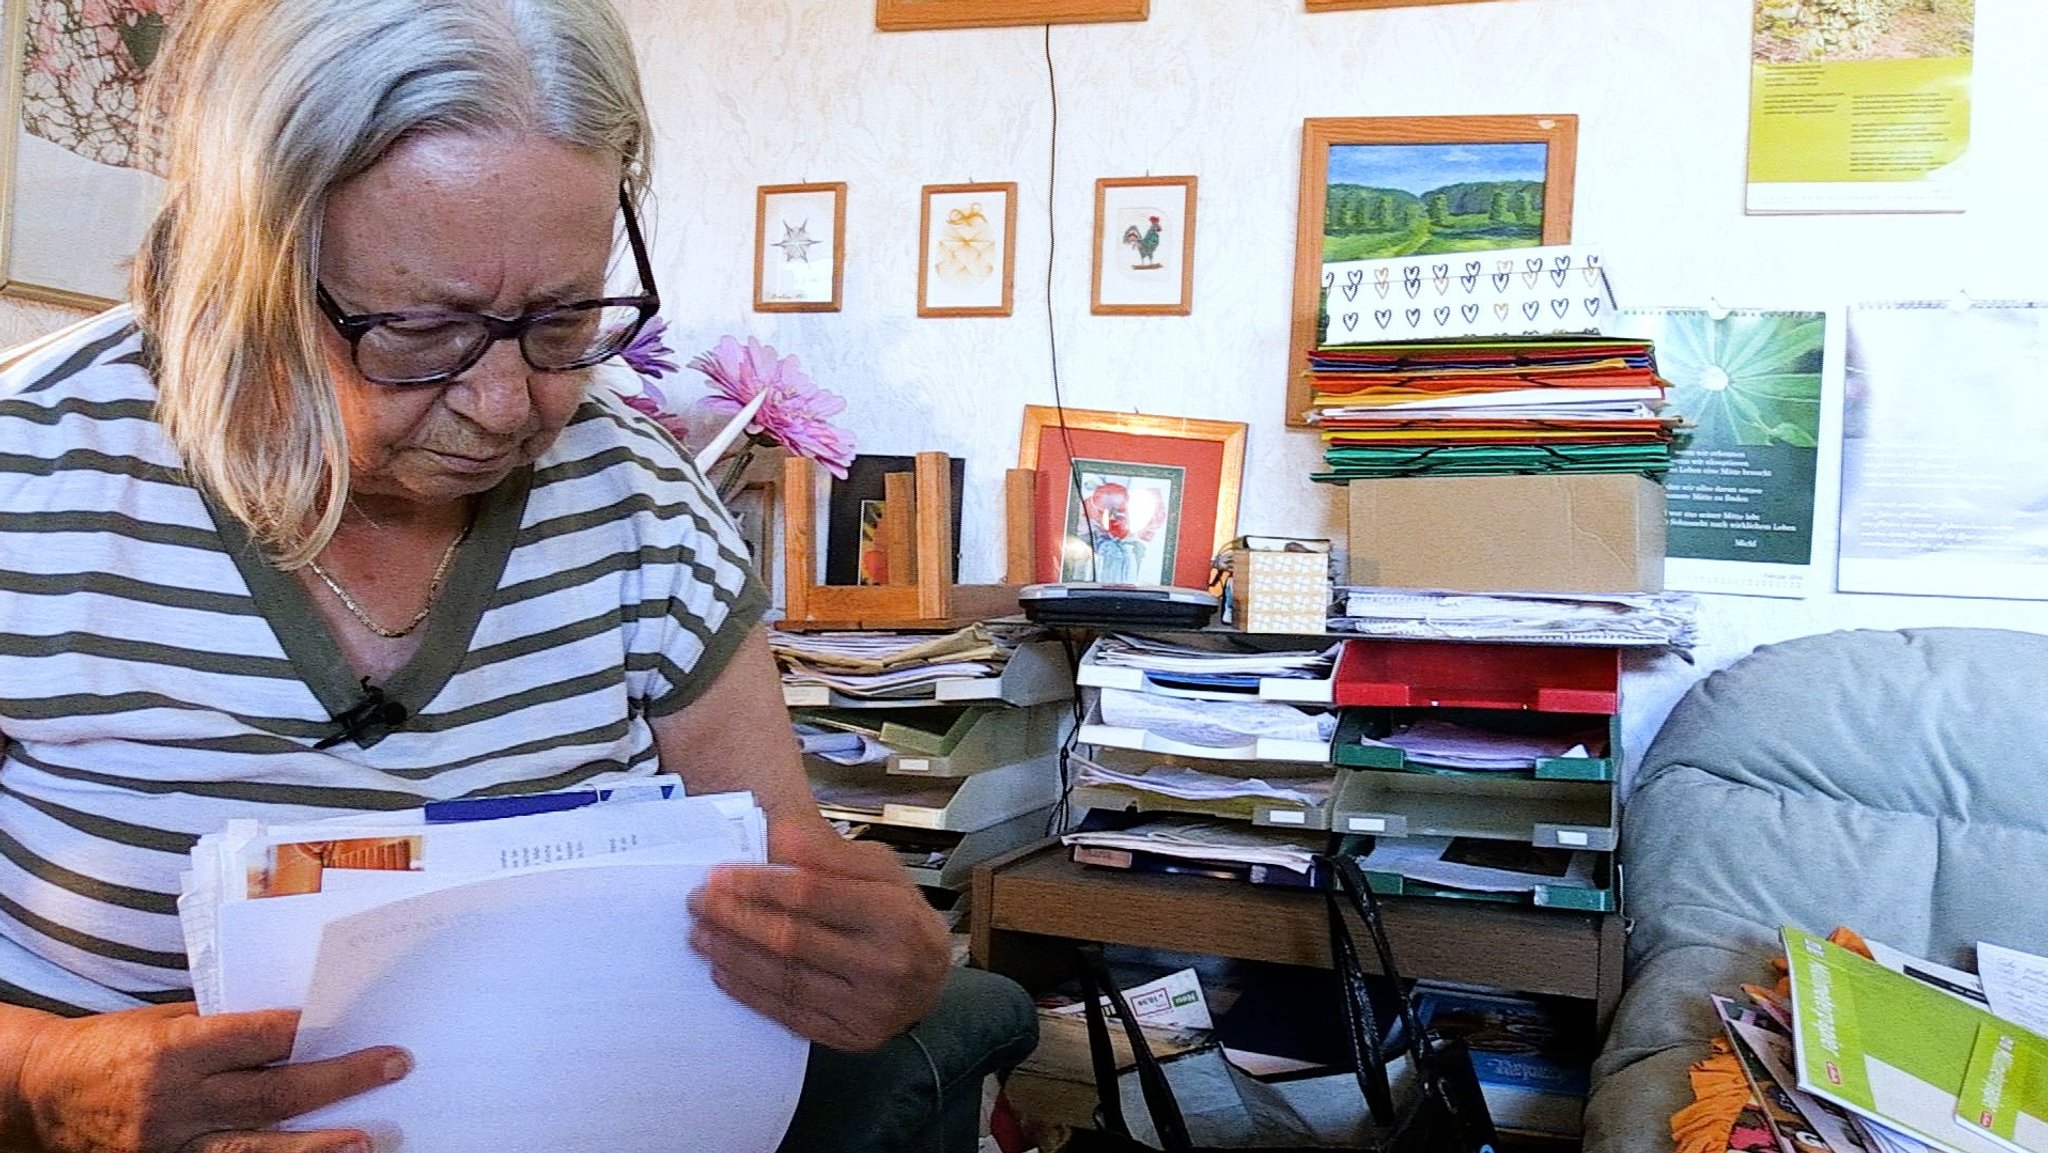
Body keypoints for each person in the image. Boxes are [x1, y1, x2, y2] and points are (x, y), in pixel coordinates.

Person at [0, 1, 1034, 1150]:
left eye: (561, 319)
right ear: (252, 257)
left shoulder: (639, 501)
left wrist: (864, 956)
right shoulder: (29, 473)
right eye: (421, 328)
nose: (509, 406)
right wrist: (47, 1078)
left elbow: (786, 879)